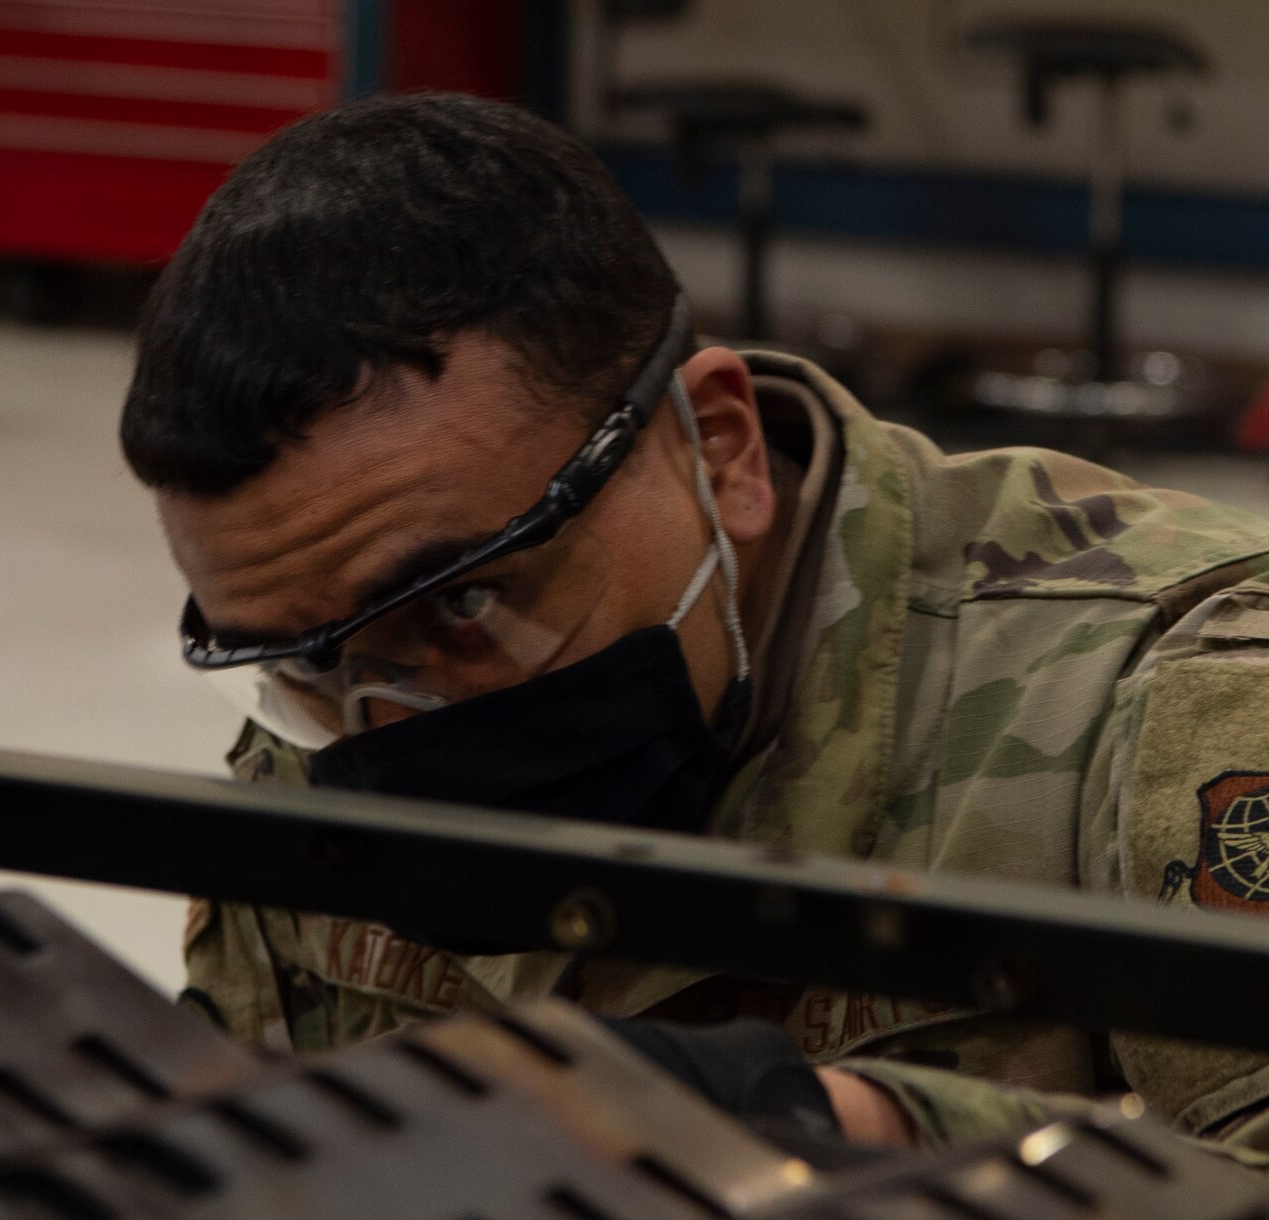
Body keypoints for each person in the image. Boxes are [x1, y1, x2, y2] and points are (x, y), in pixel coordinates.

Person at [118, 92, 1269, 1153]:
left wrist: (837, 1125)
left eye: (467, 602)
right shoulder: (334, 698)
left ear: (715, 448)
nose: (394, 716)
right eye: (304, 666)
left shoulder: (1166, 694)